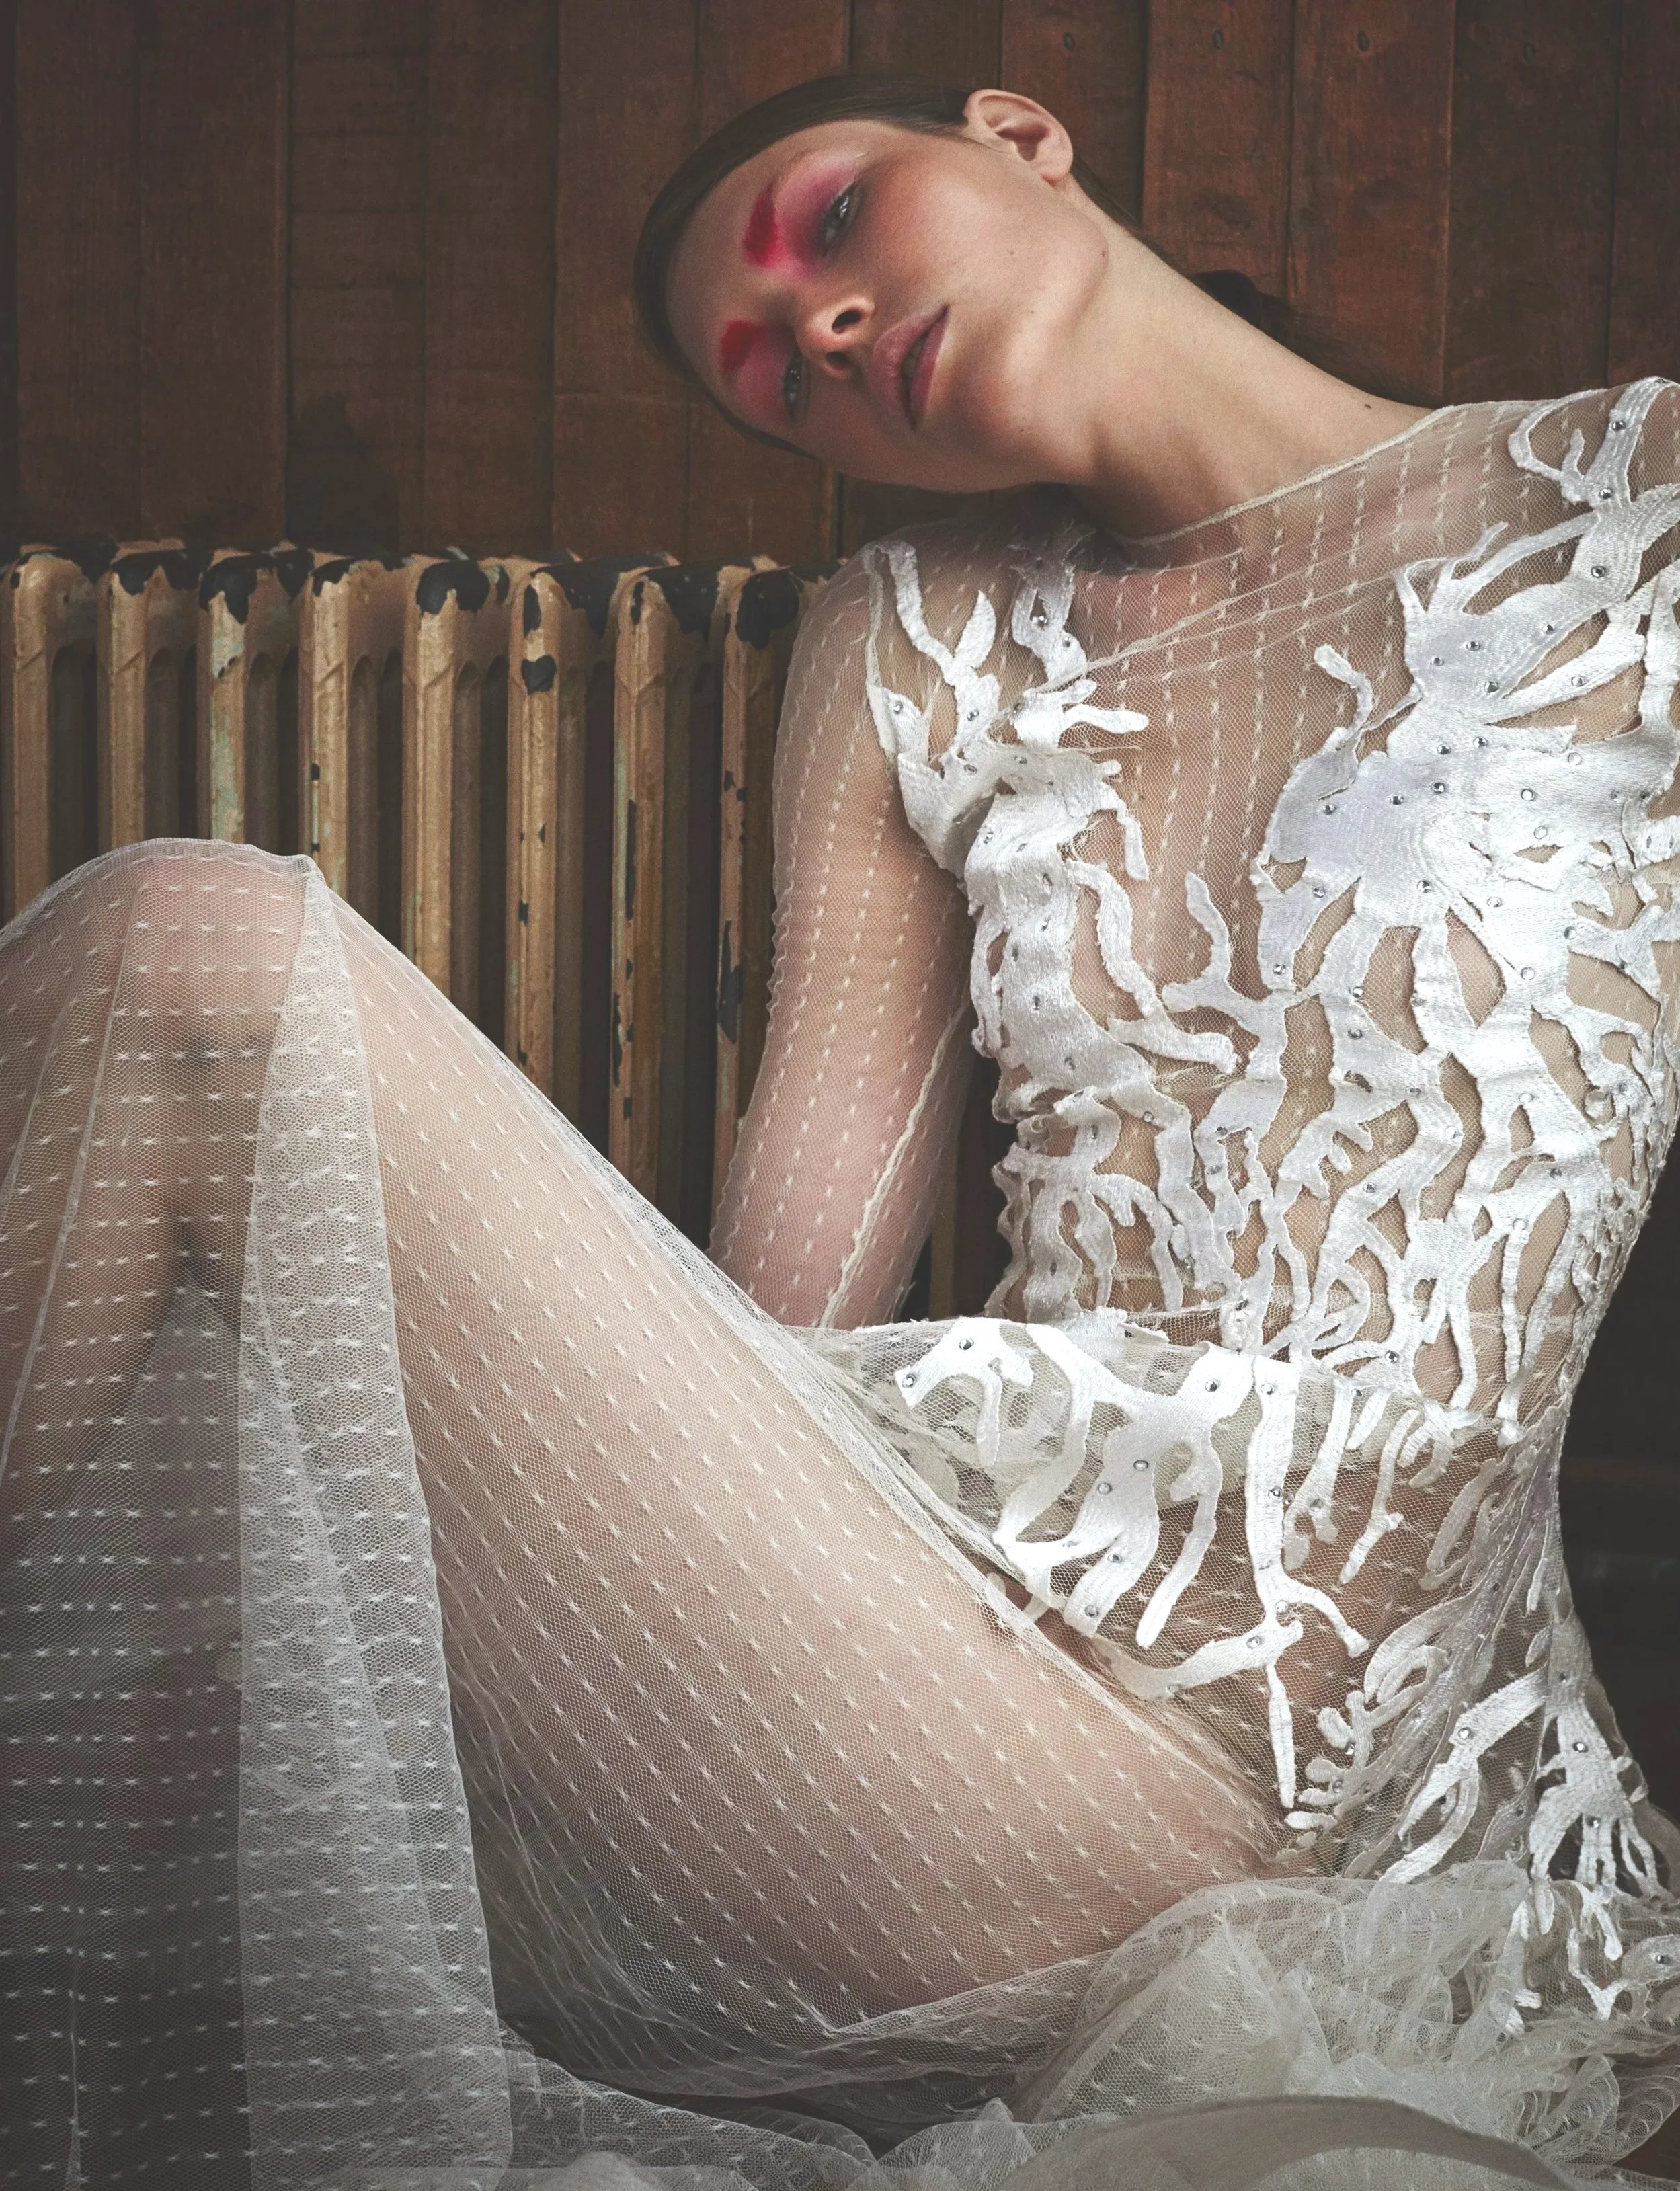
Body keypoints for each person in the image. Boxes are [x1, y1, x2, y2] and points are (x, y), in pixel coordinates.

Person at [5, 71, 1679, 2191]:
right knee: (177, 1579)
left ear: (1022, 133)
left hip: (1231, 1799)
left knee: (193, 949)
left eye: (830, 229)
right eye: (771, 377)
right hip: (900, 1662)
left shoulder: (1629, 498)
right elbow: (783, 1301)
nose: (820, 334)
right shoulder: (914, 636)